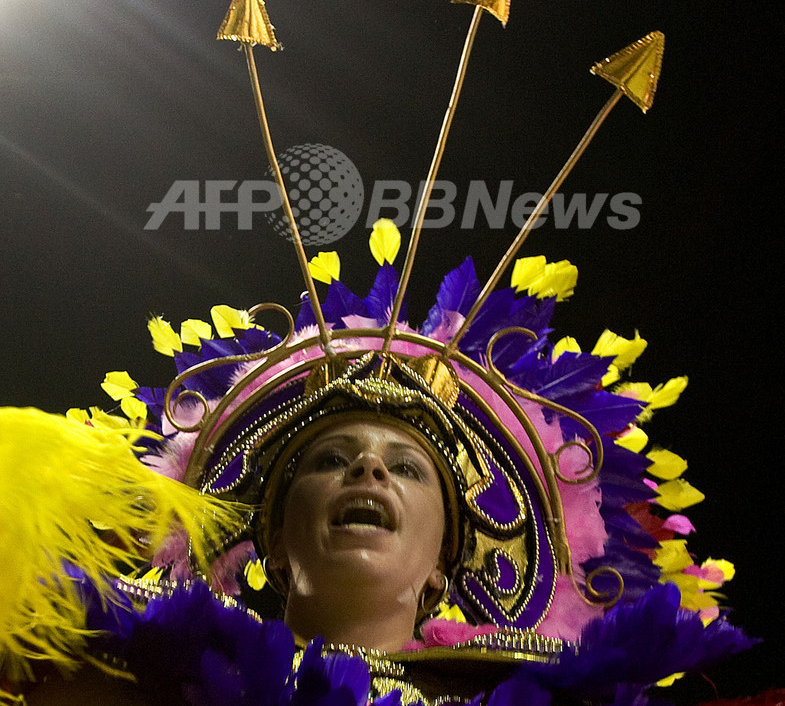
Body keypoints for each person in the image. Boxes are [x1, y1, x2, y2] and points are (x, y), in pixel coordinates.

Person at [1, 245, 755, 706]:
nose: (366, 465)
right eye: (329, 460)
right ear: (272, 543)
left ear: (442, 569)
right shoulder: (132, 673)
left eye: (406, 470)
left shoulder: (553, 699)